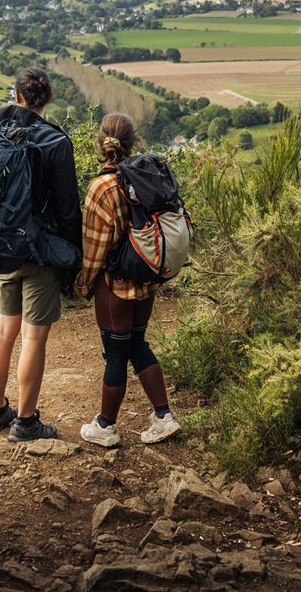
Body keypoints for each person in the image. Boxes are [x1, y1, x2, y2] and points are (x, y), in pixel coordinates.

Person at [0, 67, 82, 442]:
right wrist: (74, 260)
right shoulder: (56, 143)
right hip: (40, 252)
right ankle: (26, 422)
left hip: (1, 249)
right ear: (49, 99)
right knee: (33, 338)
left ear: (16, 96)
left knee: (4, 330)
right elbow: (68, 209)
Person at [74, 113, 181, 446]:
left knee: (115, 353)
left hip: (115, 285)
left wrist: (82, 285)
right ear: (133, 142)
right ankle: (163, 416)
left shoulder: (101, 187)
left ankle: (106, 426)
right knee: (137, 343)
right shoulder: (146, 177)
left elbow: (93, 251)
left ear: (100, 143)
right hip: (148, 279)